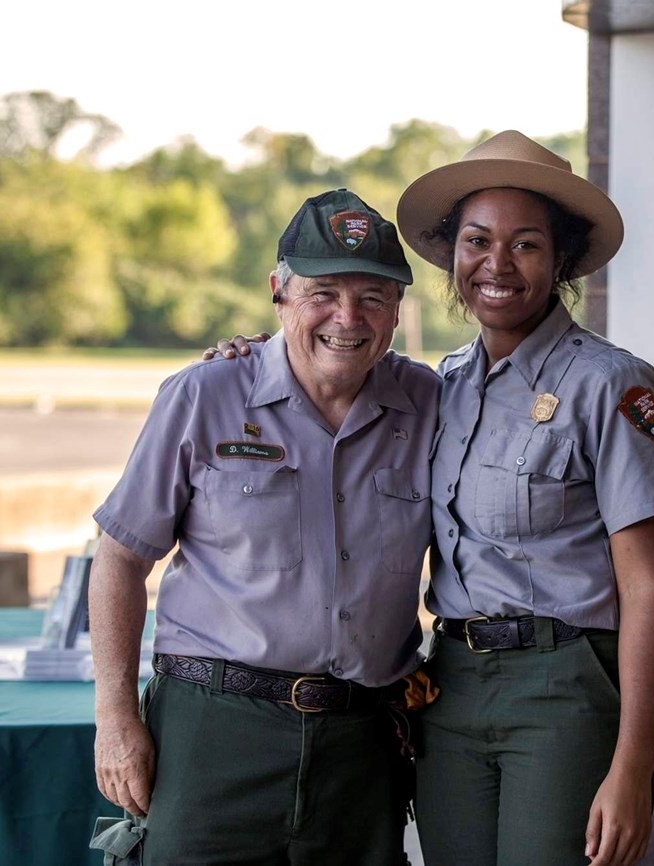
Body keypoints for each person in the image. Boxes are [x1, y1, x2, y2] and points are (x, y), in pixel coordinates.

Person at [88, 189, 437, 866]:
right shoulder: (204, 394)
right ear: (279, 293)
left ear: (398, 309)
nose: (348, 316)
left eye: (373, 295)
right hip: (215, 731)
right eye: (323, 292)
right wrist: (115, 716)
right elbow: (121, 560)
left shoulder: (431, 403)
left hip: (363, 743)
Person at [395, 130, 654, 866]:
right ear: (451, 254)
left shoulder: (611, 383)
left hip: (566, 689)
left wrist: (633, 767)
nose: (496, 264)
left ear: (560, 261)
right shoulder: (442, 385)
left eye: (524, 244)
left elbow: (650, 589)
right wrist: (245, 356)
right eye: (476, 240)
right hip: (451, 687)